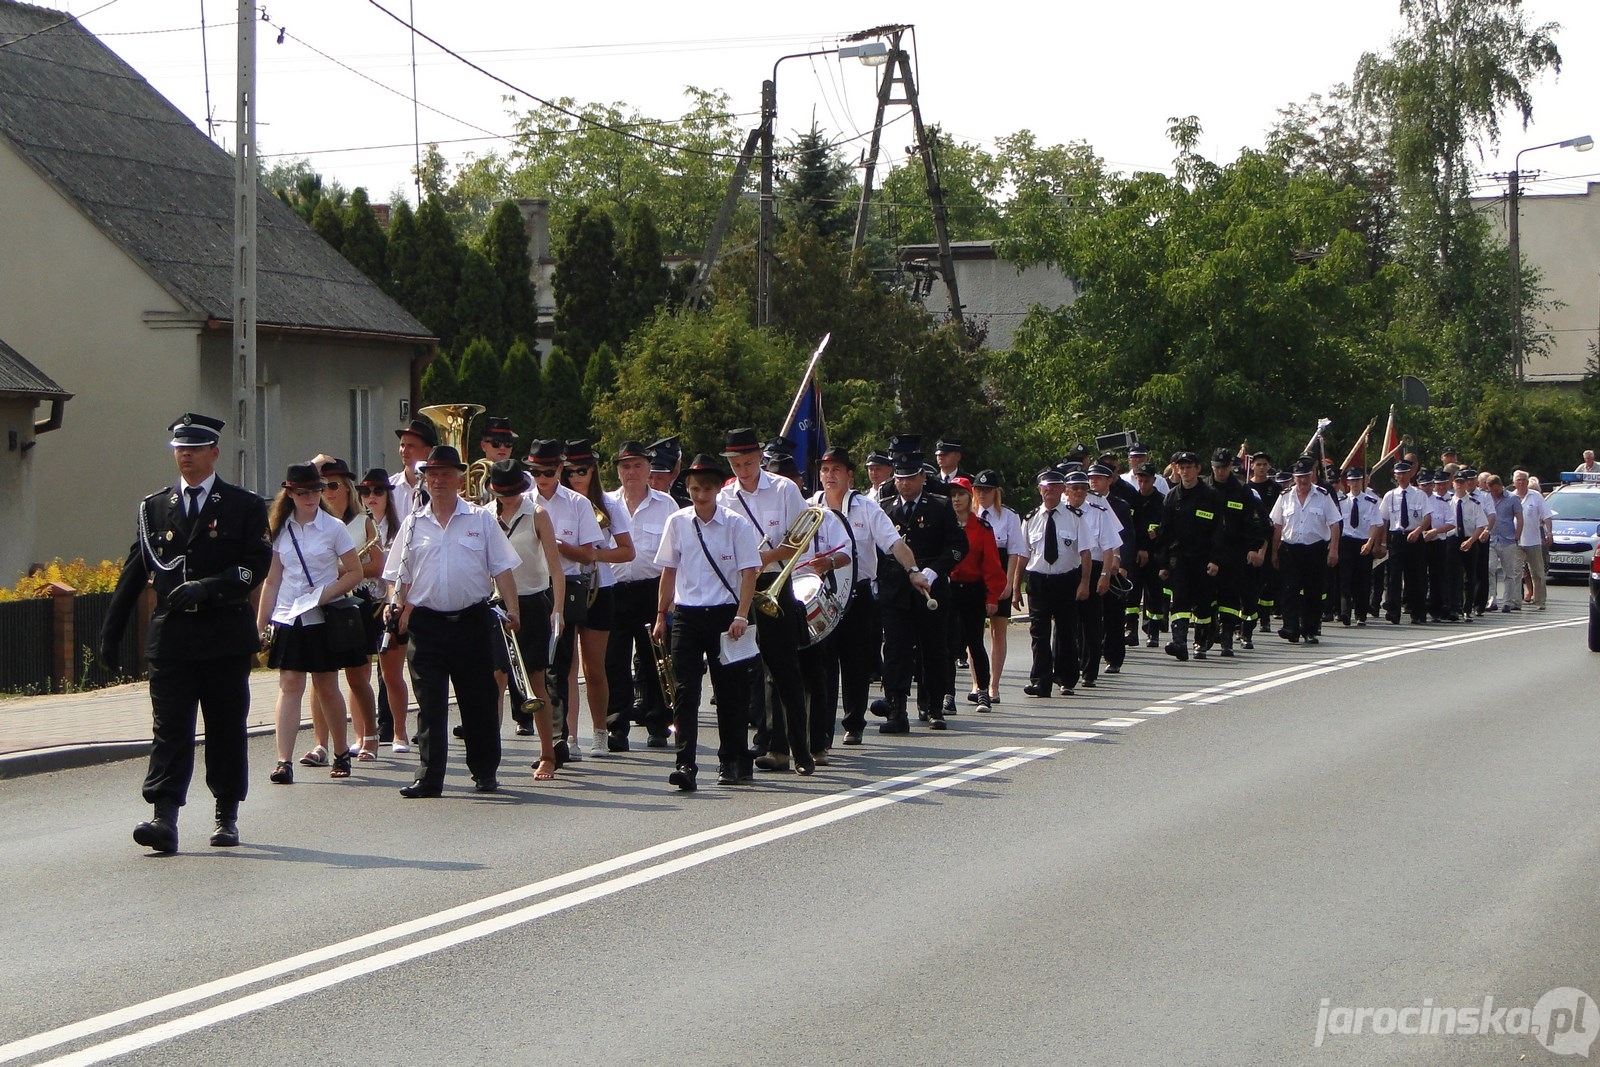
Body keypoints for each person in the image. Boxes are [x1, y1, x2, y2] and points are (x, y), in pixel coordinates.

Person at [100, 413, 271, 853]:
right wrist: (110, 632)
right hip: (173, 637)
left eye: (195, 448)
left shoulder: (244, 505)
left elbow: (255, 565)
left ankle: (226, 815)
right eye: (180, 448)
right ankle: (164, 818)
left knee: (225, 727)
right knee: (170, 729)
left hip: (223, 636)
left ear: (214, 452)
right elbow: (135, 571)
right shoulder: (155, 507)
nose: (186, 455)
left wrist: (209, 587)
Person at [382, 445, 521, 797]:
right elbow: (399, 576)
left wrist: (514, 610)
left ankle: (485, 771)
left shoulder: (481, 520)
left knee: (478, 701)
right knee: (429, 704)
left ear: (459, 478)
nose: (439, 481)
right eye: (433, 474)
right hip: (427, 624)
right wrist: (393, 605)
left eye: (446, 474)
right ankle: (430, 777)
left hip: (472, 621)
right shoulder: (413, 524)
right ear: (425, 479)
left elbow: (502, 568)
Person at [652, 453, 762, 790]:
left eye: (707, 489)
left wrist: (742, 614)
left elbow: (748, 573)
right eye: (695, 489)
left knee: (731, 693)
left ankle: (732, 759)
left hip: (725, 615)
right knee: (685, 692)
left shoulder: (735, 524)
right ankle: (685, 764)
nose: (701, 495)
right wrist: (660, 615)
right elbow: (668, 570)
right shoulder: (678, 522)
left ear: (717, 490)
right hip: (686, 614)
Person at [256, 463, 365, 784]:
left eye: (316, 491)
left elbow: (355, 572)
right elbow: (272, 581)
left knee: (326, 686)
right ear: (290, 493)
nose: (310, 497)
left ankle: (342, 752)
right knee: (289, 685)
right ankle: (283, 761)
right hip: (289, 617)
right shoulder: (280, 528)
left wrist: (325, 593)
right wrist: (260, 624)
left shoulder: (333, 527)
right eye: (303, 492)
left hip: (322, 617)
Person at [718, 428, 815, 771]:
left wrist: (761, 558)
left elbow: (800, 540)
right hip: (736, 587)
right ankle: (751, 747)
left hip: (775, 579)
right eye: (736, 464)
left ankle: (797, 750)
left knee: (783, 670)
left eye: (748, 462)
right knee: (739, 669)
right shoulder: (723, 497)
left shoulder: (783, 489)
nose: (743, 470)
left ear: (760, 458)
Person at [815, 446, 921, 747]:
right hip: (822, 592)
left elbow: (894, 544)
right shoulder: (812, 506)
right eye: (825, 470)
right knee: (823, 663)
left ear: (849, 475)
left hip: (857, 592)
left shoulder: (866, 507)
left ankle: (853, 722)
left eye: (836, 470)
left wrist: (913, 570)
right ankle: (822, 728)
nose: (829, 475)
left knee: (855, 662)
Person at [526, 438, 604, 764]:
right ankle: (548, 739)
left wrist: (555, 545)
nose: (541, 478)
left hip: (565, 585)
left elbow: (589, 554)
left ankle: (561, 740)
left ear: (560, 468)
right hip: (529, 587)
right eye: (535, 471)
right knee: (533, 668)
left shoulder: (577, 504)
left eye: (547, 471)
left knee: (560, 666)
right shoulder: (520, 501)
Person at [872, 445, 960, 729]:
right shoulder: (884, 509)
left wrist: (933, 571)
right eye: (900, 478)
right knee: (896, 650)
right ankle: (897, 709)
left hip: (931, 588)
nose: (905, 483)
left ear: (923, 477)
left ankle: (934, 706)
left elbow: (959, 546)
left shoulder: (939, 506)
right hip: (895, 589)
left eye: (910, 477)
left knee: (933, 648)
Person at [486, 459, 562, 780]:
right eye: (501, 492)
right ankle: (489, 753)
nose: (507, 497)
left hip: (532, 603)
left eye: (512, 492)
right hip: (495, 604)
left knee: (535, 681)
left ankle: (548, 753)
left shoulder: (537, 515)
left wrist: (558, 608)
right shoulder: (485, 516)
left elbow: (556, 568)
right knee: (495, 682)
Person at [559, 441, 636, 757]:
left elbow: (628, 551)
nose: (577, 477)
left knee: (594, 667)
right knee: (565, 666)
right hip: (564, 585)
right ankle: (569, 737)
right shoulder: (559, 503)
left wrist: (596, 555)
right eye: (571, 471)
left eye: (583, 470)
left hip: (598, 587)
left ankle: (601, 732)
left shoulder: (609, 505)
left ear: (593, 470)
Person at [604, 441, 678, 750]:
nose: (631, 472)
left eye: (637, 465)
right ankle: (616, 725)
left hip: (652, 588)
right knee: (614, 661)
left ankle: (658, 724)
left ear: (649, 469)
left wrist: (670, 598)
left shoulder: (667, 505)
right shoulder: (604, 503)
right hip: (614, 590)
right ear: (617, 471)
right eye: (625, 466)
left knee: (655, 660)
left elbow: (677, 553)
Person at [308, 456, 380, 762]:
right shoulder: (312, 523)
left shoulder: (362, 522)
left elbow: (377, 564)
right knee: (320, 676)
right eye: (322, 485)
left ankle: (370, 736)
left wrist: (343, 569)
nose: (328, 491)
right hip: (322, 602)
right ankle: (320, 743)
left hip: (354, 603)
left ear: (348, 489)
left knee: (356, 676)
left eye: (334, 485)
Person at [1019, 468, 1091, 694]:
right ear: (1039, 490)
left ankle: (1066, 678)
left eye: (1053, 488)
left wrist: (1085, 583)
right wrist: (1013, 589)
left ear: (1063, 490)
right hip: (1039, 581)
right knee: (1038, 632)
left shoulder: (1075, 517)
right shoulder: (1031, 519)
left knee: (1066, 631)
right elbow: (1022, 555)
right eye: (1045, 488)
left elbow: (1086, 553)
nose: (1048, 492)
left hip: (1066, 580)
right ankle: (1040, 680)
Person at [357, 468, 412, 753]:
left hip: (390, 604)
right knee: (360, 673)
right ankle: (364, 735)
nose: (371, 497)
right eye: (365, 492)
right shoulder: (356, 527)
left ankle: (400, 733)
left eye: (378, 491)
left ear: (388, 495)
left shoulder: (401, 527)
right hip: (363, 603)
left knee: (391, 674)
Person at [1157, 451, 1224, 662]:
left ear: (1198, 469)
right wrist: (1164, 562)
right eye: (1182, 467)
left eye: (1189, 467)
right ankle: (1179, 643)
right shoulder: (1172, 496)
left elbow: (1218, 531)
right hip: (1180, 557)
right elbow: (1164, 532)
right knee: (1180, 600)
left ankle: (1201, 641)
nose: (1185, 471)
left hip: (1203, 557)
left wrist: (1215, 560)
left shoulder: (1211, 496)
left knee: (1203, 603)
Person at [945, 477, 1005, 709]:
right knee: (948, 644)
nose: (956, 500)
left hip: (973, 589)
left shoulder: (981, 528)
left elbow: (991, 564)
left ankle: (982, 691)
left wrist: (991, 597)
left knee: (974, 642)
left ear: (970, 497)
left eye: (961, 495)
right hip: (948, 589)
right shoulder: (944, 525)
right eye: (952, 495)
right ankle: (947, 693)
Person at [1269, 457, 1342, 644]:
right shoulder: (1285, 496)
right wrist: (1274, 551)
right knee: (1289, 590)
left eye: (1306, 476)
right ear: (1294, 477)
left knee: (1313, 592)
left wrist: (1333, 549)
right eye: (1299, 477)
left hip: (1315, 550)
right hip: (1290, 550)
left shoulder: (1323, 495)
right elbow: (1277, 525)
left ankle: (1310, 630)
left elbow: (1335, 524)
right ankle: (1291, 627)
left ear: (1312, 476)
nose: (1302, 481)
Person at [972, 469, 1024, 702]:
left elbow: (1014, 552)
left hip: (1000, 574)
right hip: (975, 575)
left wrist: (1011, 583)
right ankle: (976, 683)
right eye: (978, 489)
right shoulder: (969, 514)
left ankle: (994, 685)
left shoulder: (1009, 517)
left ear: (996, 492)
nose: (982, 494)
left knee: (997, 632)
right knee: (974, 632)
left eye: (987, 490)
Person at [1377, 460, 1431, 625]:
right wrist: (1382, 543)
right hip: (1396, 537)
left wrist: (1418, 531)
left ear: (1410, 474)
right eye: (1398, 474)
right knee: (1393, 577)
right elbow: (1383, 520)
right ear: (1395, 475)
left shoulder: (1419, 494)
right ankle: (1393, 611)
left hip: (1414, 537)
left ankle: (1417, 612)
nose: (1401, 476)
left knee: (1416, 576)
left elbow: (1427, 517)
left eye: (1404, 473)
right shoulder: (1390, 495)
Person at [1336, 467, 1382, 627]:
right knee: (1345, 579)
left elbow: (1376, 524)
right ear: (1347, 482)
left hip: (1363, 542)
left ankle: (1361, 613)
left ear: (1362, 481)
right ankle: (1345, 612)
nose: (1354, 483)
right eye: (1351, 480)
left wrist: (1370, 543)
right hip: (1346, 542)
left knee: (1362, 580)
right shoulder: (1341, 502)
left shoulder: (1371, 501)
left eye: (1357, 480)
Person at [1512, 469, 1552, 610]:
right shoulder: (1511, 497)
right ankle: (1516, 601)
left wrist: (1549, 533)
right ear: (1513, 482)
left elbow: (1546, 516)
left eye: (1524, 480)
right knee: (1515, 573)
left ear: (1528, 482)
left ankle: (1540, 601)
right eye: (1518, 480)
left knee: (1538, 573)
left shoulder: (1536, 497)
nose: (1521, 482)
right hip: (1515, 541)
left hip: (1533, 541)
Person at [1484, 474, 1523, 612]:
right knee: (1490, 569)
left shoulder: (1512, 498)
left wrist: (1516, 537)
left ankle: (1507, 601)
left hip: (1508, 539)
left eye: (1496, 490)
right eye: (1491, 490)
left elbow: (1519, 518)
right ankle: (1491, 600)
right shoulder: (1486, 499)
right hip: (1491, 539)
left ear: (1501, 486)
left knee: (1509, 573)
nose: (1494, 493)